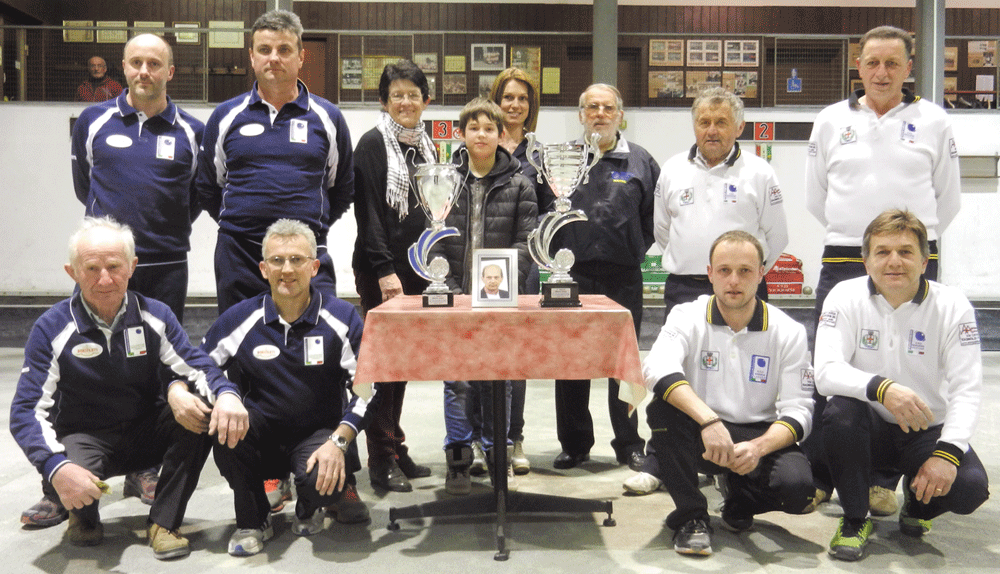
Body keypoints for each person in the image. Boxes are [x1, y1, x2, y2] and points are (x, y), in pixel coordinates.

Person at [27, 32, 202, 530]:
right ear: (123, 69)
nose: (144, 71)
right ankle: (60, 480)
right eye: (136, 63)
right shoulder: (93, 120)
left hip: (165, 265)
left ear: (171, 71)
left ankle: (144, 467)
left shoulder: (192, 129)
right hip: (103, 264)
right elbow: (85, 184)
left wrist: (163, 232)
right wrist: (109, 248)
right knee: (80, 368)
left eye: (155, 63)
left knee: (156, 368)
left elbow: (196, 195)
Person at [9, 217, 249, 560]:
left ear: (132, 267)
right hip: (84, 438)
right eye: (91, 268)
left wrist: (226, 395)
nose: (104, 279)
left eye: (114, 266)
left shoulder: (155, 316)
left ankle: (164, 523)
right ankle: (78, 511)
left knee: (201, 413)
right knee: (85, 532)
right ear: (72, 272)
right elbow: (25, 411)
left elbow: (197, 366)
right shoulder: (52, 327)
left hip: (144, 431)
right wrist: (54, 467)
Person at [804, 25, 962, 515]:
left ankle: (881, 479)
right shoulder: (830, 121)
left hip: (912, 256)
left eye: (892, 63)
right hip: (845, 253)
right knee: (828, 369)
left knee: (905, 365)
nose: (881, 72)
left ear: (909, 68)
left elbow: (947, 200)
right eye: (873, 62)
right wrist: (859, 238)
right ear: (859, 66)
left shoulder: (933, 121)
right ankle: (821, 474)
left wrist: (907, 245)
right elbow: (816, 197)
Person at [623, 87, 789, 496]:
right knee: (679, 377)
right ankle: (663, 460)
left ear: (739, 126)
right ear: (694, 125)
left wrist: (741, 275)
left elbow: (778, 235)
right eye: (704, 122)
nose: (712, 130)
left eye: (721, 122)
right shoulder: (674, 170)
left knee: (741, 378)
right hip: (685, 286)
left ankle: (735, 458)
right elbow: (663, 230)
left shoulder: (759, 173)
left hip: (743, 291)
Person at [815, 210, 989, 561]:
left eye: (906, 252)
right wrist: (881, 388)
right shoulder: (843, 296)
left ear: (925, 261)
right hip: (868, 429)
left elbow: (967, 387)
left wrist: (947, 453)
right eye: (882, 252)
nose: (894, 261)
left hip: (925, 427)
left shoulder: (952, 306)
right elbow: (825, 372)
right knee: (839, 411)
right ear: (865, 261)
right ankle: (854, 519)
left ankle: (918, 505)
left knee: (969, 489)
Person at [202, 219, 376, 556]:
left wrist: (340, 441)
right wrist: (225, 393)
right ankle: (253, 520)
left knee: (322, 487)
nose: (287, 269)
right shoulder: (241, 317)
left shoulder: (341, 317)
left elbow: (368, 389)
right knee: (223, 427)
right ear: (263, 269)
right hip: (261, 432)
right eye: (278, 261)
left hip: (318, 433)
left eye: (297, 260)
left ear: (314, 267)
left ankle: (310, 504)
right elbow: (198, 363)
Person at [640, 230, 814, 556]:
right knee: (662, 410)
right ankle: (691, 517)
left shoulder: (788, 331)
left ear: (762, 273)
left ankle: (740, 498)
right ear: (709, 274)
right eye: (724, 270)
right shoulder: (686, 315)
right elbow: (656, 368)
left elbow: (800, 410)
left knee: (799, 489)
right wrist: (708, 420)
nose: (734, 280)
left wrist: (759, 448)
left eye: (745, 271)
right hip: (700, 430)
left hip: (757, 432)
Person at [196, 9, 354, 314]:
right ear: (252, 57)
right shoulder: (225, 116)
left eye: (284, 50)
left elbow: (342, 188)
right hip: (240, 255)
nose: (274, 58)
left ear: (300, 57)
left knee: (315, 347)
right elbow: (207, 185)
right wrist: (243, 224)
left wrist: (305, 229)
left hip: (307, 252)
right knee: (240, 346)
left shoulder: (328, 117)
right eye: (265, 50)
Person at [544, 83, 658, 471]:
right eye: (591, 107)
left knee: (622, 365)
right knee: (570, 363)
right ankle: (575, 444)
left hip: (623, 279)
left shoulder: (641, 161)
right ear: (580, 115)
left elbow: (653, 219)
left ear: (620, 115)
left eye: (608, 108)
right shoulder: (562, 160)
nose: (600, 114)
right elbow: (546, 213)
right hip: (571, 278)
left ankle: (628, 444)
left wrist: (633, 250)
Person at [431, 97, 537, 494]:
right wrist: (455, 293)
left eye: (489, 128)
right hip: (456, 300)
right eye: (473, 128)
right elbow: (434, 240)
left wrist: (504, 286)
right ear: (462, 134)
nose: (481, 134)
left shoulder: (520, 184)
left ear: (501, 135)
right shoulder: (443, 182)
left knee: (500, 379)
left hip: (500, 301)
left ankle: (498, 454)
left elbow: (527, 242)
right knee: (457, 380)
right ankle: (458, 458)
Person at [351, 59, 434, 493]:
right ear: (384, 102)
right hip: (382, 272)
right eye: (396, 95)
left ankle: (394, 444)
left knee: (402, 367)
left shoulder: (427, 147)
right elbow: (369, 215)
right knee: (384, 367)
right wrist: (384, 271)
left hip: (418, 273)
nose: (405, 102)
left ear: (426, 100)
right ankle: (380, 458)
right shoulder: (371, 144)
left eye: (412, 94)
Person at [488, 68, 542, 474]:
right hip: (479, 269)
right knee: (480, 353)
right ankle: (480, 439)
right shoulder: (478, 143)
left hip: (522, 268)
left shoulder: (539, 157)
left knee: (517, 357)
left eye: (522, 98)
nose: (514, 105)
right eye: (507, 97)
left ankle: (514, 437)